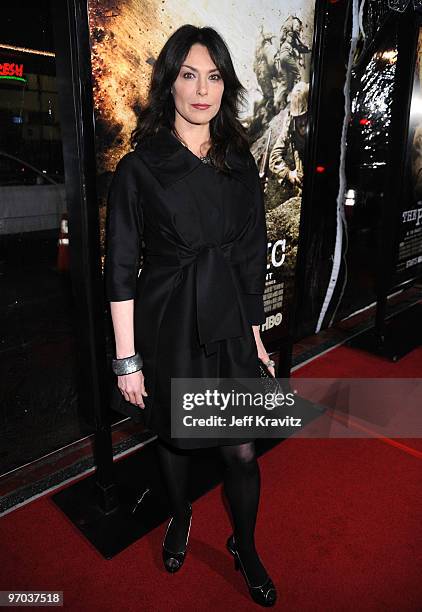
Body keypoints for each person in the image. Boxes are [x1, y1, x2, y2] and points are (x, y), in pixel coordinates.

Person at [105, 24, 277, 607]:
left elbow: (252, 257)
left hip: (228, 323)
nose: (202, 89)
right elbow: (122, 269)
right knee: (177, 441)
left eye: (214, 76)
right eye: (188, 75)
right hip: (168, 322)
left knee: (242, 448)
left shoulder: (240, 164)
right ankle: (179, 517)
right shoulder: (139, 168)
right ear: (169, 83)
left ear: (226, 87)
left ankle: (245, 545)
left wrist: (255, 338)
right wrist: (127, 360)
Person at [268, 80, 309, 203]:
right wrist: (289, 174)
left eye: (304, 116)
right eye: (298, 118)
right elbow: (274, 157)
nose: (301, 122)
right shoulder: (290, 124)